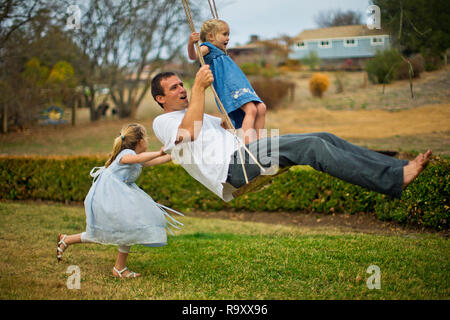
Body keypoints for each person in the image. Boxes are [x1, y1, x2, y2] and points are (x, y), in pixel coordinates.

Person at [151, 66, 432, 203]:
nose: (182, 89)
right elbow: (187, 132)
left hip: (244, 154)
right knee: (311, 146)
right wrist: (199, 88)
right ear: (160, 98)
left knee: (324, 136)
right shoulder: (162, 122)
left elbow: (222, 127)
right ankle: (392, 179)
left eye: (181, 84)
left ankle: (398, 168)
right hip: (233, 168)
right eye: (174, 88)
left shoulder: (197, 113)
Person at [56, 123, 183, 279]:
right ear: (140, 141)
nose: (147, 141)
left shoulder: (135, 157)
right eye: (146, 138)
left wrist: (176, 154)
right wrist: (158, 151)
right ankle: (119, 268)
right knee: (124, 228)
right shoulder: (127, 153)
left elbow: (156, 160)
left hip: (115, 195)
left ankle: (66, 239)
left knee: (115, 230)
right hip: (108, 196)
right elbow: (136, 158)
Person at [187, 19, 266, 144]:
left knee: (261, 107)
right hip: (229, 87)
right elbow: (193, 57)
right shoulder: (207, 47)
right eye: (224, 34)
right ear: (211, 36)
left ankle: (259, 142)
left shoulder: (222, 52)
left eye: (228, 34)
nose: (227, 38)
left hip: (240, 84)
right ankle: (247, 146)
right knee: (251, 110)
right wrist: (191, 43)